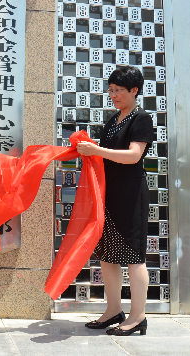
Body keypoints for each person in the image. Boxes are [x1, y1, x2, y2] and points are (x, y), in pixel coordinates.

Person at [76, 65, 154, 336]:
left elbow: (133, 156)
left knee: (134, 257)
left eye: (118, 90)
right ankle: (113, 310)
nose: (113, 95)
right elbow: (103, 157)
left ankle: (138, 317)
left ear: (134, 90)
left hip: (131, 196)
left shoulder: (141, 119)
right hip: (108, 195)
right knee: (108, 255)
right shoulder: (112, 121)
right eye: (110, 90)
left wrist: (96, 150)